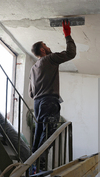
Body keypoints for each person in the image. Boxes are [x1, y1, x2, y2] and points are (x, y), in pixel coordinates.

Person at [29, 20, 76, 157]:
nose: (48, 47)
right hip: (49, 102)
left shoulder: (33, 69)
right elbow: (70, 53)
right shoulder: (49, 59)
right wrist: (67, 34)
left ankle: (33, 165)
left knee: (39, 135)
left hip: (37, 104)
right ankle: (40, 164)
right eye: (46, 46)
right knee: (49, 134)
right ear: (42, 50)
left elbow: (30, 93)